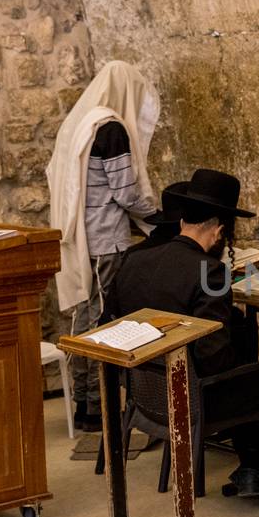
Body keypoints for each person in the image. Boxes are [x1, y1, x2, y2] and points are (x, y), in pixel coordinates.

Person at [108, 169, 259, 499]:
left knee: (249, 369)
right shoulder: (210, 271)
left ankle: (253, 461)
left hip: (144, 394)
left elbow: (113, 321)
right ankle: (257, 467)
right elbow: (213, 357)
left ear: (181, 222)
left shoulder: (134, 261)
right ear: (219, 232)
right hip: (192, 398)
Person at [47, 61, 162, 432]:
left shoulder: (83, 121)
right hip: (103, 240)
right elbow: (125, 191)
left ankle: (85, 403)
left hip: (84, 237)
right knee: (101, 321)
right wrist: (159, 217)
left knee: (84, 316)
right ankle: (98, 406)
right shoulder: (110, 128)